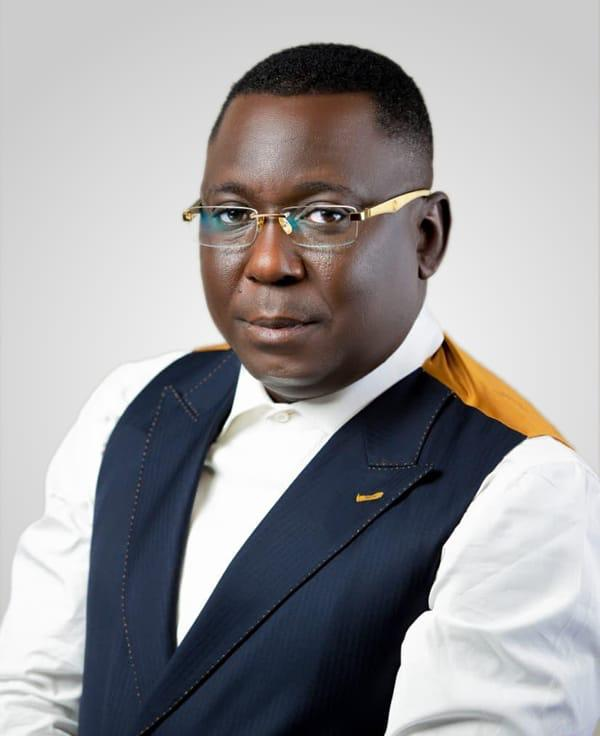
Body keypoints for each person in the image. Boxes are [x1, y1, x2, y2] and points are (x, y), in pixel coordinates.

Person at [0, 41, 598, 735]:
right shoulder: (132, 403)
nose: (267, 264)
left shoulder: (520, 487)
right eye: (231, 214)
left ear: (426, 237)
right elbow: (31, 692)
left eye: (326, 217)